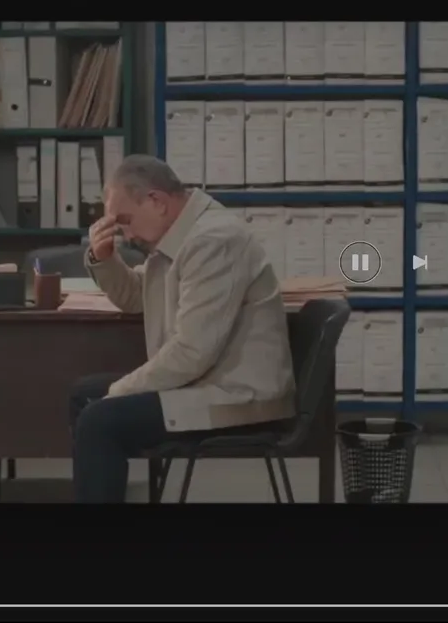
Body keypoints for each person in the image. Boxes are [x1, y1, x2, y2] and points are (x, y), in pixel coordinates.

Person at [71, 156, 295, 503]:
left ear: (156, 201)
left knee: (99, 420)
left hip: (237, 394)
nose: (126, 234)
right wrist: (105, 259)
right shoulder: (180, 235)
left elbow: (192, 353)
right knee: (83, 395)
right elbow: (137, 296)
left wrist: (119, 391)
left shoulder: (213, 240)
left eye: (125, 221)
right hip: (206, 380)